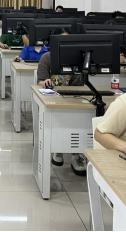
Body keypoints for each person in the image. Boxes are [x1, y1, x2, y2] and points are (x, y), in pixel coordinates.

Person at [37, 28, 86, 175]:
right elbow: (40, 81)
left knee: (80, 116)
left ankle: (76, 153)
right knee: (61, 117)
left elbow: (79, 85)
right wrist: (45, 82)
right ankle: (58, 147)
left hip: (73, 97)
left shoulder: (78, 59)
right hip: (52, 98)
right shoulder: (47, 58)